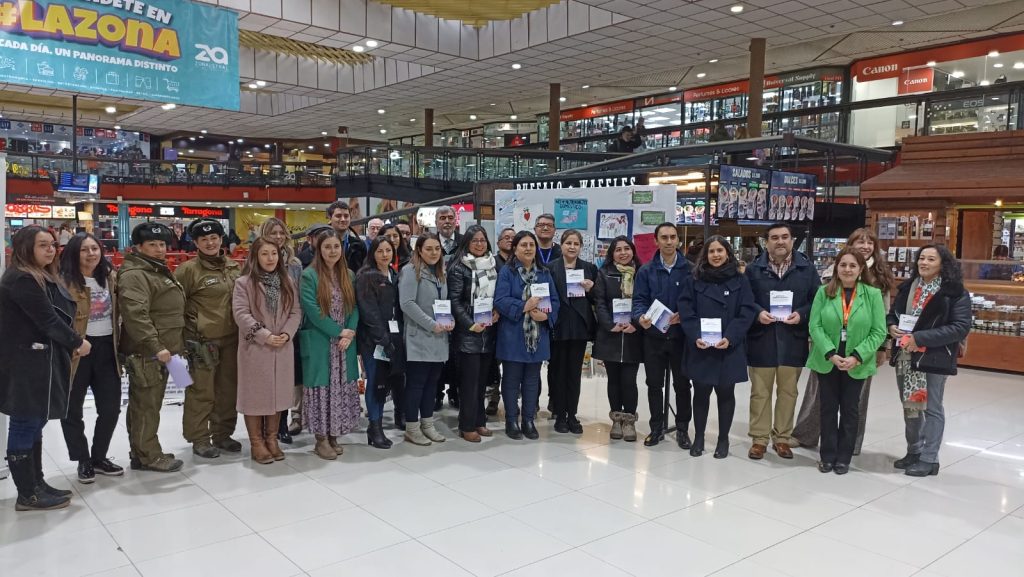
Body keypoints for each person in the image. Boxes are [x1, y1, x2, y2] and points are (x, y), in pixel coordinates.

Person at [1, 226, 89, 510]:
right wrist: (77, 342)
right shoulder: (22, 279)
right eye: (43, 245)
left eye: (52, 244)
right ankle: (28, 494)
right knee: (25, 422)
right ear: (25, 248)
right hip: (25, 363)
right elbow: (47, 319)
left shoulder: (40, 276)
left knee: (35, 420)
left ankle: (36, 483)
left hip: (38, 359)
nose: (51, 249)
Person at [794, 227, 894, 454]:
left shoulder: (879, 277)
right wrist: (827, 350)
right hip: (828, 349)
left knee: (855, 402)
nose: (865, 246)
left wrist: (881, 347)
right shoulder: (831, 274)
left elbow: (883, 317)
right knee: (821, 397)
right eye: (860, 242)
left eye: (870, 243)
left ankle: (850, 446)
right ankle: (808, 435)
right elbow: (817, 318)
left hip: (862, 348)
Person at [887, 245, 971, 477]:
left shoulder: (954, 292)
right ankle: (914, 451)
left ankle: (929, 458)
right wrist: (891, 325)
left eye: (931, 259)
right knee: (911, 406)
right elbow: (893, 313)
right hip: (906, 355)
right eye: (921, 258)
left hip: (934, 356)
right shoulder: (908, 287)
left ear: (943, 264)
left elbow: (959, 327)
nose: (924, 263)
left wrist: (920, 338)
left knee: (932, 407)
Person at [744, 222, 820, 460]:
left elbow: (817, 300)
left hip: (792, 339)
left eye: (785, 237)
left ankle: (782, 438)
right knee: (760, 392)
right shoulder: (753, 270)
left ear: (792, 240)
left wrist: (802, 315)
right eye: (774, 237)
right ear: (766, 242)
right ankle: (759, 439)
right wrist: (758, 313)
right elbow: (745, 300)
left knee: (788, 392)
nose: (780, 241)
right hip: (761, 339)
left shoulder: (806, 269)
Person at [807, 248, 887, 474]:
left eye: (853, 265)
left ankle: (844, 457)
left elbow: (878, 331)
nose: (847, 269)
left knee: (850, 410)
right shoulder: (824, 292)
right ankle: (827, 455)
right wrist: (830, 353)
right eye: (843, 265)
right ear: (836, 268)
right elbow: (815, 326)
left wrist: (857, 356)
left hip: (857, 362)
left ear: (861, 269)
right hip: (828, 360)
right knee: (828, 408)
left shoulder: (872, 295)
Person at [680, 236, 757, 459]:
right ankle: (699, 437)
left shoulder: (740, 280)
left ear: (727, 253)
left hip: (728, 347)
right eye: (711, 251)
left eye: (720, 251)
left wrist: (731, 337)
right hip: (701, 346)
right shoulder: (693, 279)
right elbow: (685, 309)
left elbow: (747, 310)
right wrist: (695, 335)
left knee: (726, 394)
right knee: (700, 394)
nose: (716, 255)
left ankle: (723, 439)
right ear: (705, 255)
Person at [118, 223, 186, 473]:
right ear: (138, 247)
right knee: (146, 406)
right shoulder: (135, 275)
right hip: (148, 353)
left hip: (162, 351)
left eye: (162, 244)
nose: (159, 249)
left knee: (149, 404)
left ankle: (142, 451)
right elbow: (136, 315)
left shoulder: (155, 269)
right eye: (152, 245)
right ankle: (148, 456)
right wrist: (156, 346)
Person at [59, 233, 124, 484]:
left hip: (107, 348)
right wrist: (73, 342)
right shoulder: (63, 281)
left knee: (110, 408)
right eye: (84, 250)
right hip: (76, 350)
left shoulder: (110, 277)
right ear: (74, 253)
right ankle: (82, 459)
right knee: (71, 409)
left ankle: (99, 457)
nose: (91, 254)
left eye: (95, 248)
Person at [175, 219, 243, 459]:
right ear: (196, 243)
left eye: (214, 238)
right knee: (201, 392)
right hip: (203, 342)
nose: (210, 243)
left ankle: (222, 434)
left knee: (228, 390)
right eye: (204, 239)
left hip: (232, 339)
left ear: (221, 239)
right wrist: (184, 338)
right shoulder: (188, 271)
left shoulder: (234, 267)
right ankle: (199, 438)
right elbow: (175, 306)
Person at [232, 238, 302, 463]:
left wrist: (287, 334)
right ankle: (257, 443)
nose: (270, 258)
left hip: (282, 348)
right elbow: (241, 314)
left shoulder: (287, 281)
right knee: (255, 397)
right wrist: (265, 336)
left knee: (278, 395)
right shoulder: (244, 283)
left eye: (274, 253)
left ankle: (272, 440)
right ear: (255, 257)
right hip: (255, 348)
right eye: (264, 253)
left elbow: (296, 312)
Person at [298, 229, 360, 460]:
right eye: (327, 247)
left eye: (336, 246)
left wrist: (349, 333)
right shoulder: (309, 275)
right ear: (318, 249)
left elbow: (354, 306)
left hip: (344, 343)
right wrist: (338, 331)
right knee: (321, 389)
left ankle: (334, 434)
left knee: (340, 388)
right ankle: (321, 439)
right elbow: (312, 311)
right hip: (320, 341)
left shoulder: (349, 275)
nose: (332, 251)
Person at [632, 223, 693, 448]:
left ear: (678, 240)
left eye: (672, 237)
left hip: (681, 338)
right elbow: (639, 300)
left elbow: (696, 301)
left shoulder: (690, 269)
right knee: (654, 384)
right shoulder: (646, 271)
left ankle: (683, 428)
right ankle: (656, 428)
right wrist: (640, 317)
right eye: (664, 237)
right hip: (653, 338)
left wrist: (684, 315)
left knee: (683, 385)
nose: (669, 241)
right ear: (656, 241)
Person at [495, 231, 559, 440]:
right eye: (523, 245)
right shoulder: (507, 272)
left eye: (532, 244)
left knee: (532, 380)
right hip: (512, 334)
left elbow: (555, 301)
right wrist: (525, 305)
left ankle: (529, 420)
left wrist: (546, 316)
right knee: (511, 379)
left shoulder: (544, 273)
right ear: (515, 249)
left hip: (537, 336)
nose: (529, 248)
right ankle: (511, 420)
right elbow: (500, 300)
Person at [399, 233, 453, 446]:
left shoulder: (440, 272)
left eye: (437, 249)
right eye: (428, 249)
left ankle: (428, 425)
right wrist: (432, 324)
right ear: (419, 251)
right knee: (416, 384)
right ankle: (412, 428)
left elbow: (443, 302)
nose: (433, 253)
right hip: (419, 337)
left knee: (432, 384)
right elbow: (407, 303)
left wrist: (449, 320)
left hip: (439, 338)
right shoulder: (410, 271)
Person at [447, 225, 500, 442]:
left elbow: (497, 295)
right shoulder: (459, 267)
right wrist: (470, 324)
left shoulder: (493, 265)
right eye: (475, 240)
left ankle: (479, 421)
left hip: (488, 332)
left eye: (482, 240)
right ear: (466, 243)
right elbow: (454, 302)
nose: (479, 244)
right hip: (468, 334)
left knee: (481, 382)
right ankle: (466, 425)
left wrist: (497, 311)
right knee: (469, 384)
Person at [593, 236, 644, 441]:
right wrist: (609, 325)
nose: (623, 253)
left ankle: (629, 420)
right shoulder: (604, 273)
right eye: (618, 249)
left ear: (633, 251)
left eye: (626, 249)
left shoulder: (641, 273)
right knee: (613, 380)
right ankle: (616, 418)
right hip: (610, 335)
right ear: (611, 253)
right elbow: (599, 302)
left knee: (629, 381)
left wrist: (636, 324)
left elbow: (645, 301)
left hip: (633, 335)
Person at [547, 229, 598, 434]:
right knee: (558, 372)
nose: (572, 247)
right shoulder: (551, 268)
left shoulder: (589, 268)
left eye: (576, 244)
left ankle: (572, 414)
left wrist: (591, 289)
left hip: (579, 327)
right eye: (568, 243)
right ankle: (559, 414)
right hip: (558, 326)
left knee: (574, 373)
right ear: (561, 245)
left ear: (581, 247)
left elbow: (597, 298)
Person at [356, 237, 404, 449]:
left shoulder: (394, 274)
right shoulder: (365, 276)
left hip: (393, 337)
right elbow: (369, 312)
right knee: (376, 383)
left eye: (388, 250)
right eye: (380, 251)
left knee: (387, 382)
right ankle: (375, 428)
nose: (385, 255)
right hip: (373, 341)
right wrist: (382, 339)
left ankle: (378, 426)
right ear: (372, 253)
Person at [258, 217, 304, 441]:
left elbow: (298, 300)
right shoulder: (255, 263)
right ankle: (263, 428)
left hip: (289, 330)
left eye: (281, 232)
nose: (278, 237)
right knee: (265, 381)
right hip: (264, 331)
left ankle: (282, 424)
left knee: (286, 380)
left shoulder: (294, 265)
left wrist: (290, 329)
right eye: (273, 233)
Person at [327, 200, 367, 272]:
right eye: (338, 216)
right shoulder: (321, 243)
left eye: (346, 216)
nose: (343, 219)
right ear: (330, 218)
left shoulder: (359, 245)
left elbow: (364, 271)